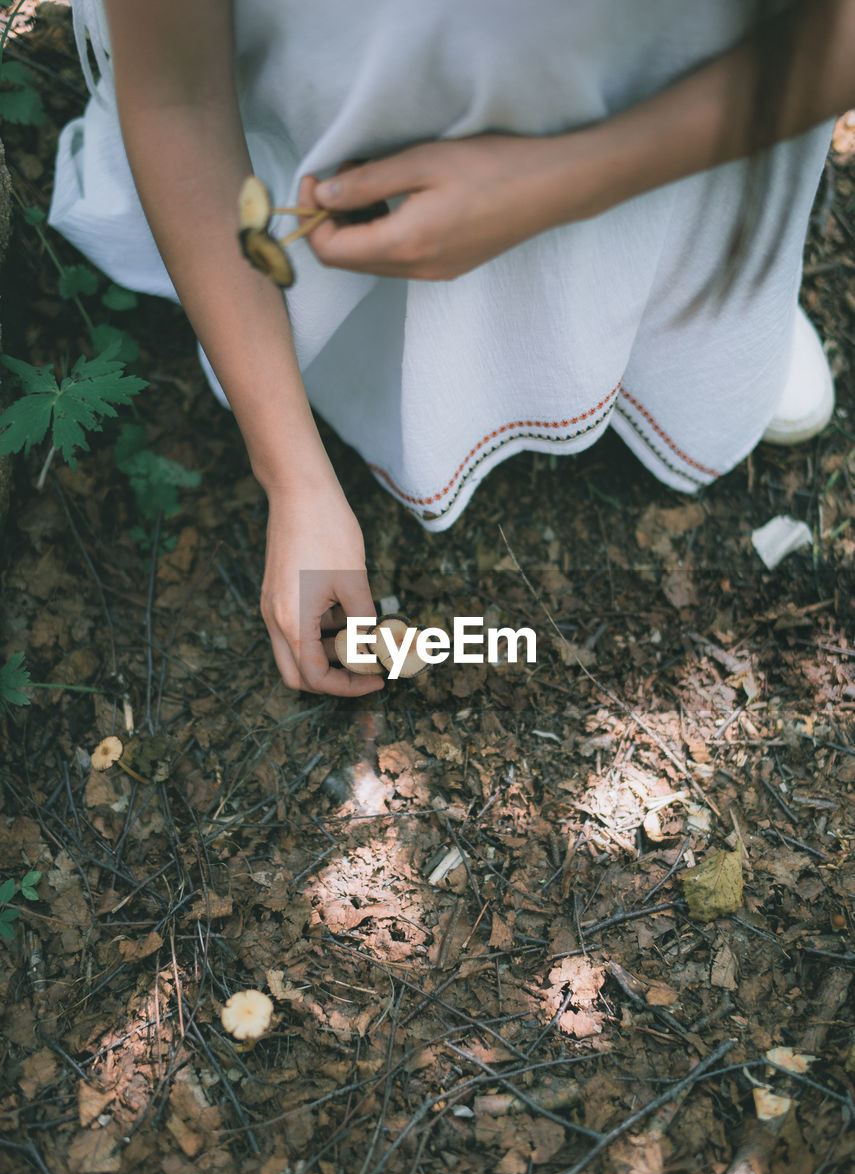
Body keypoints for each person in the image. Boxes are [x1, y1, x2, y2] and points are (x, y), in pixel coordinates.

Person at [50, 0, 851, 697]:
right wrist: (293, 479)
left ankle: (677, 323)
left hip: (684, 110)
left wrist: (566, 181)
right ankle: (363, 354)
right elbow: (178, 94)